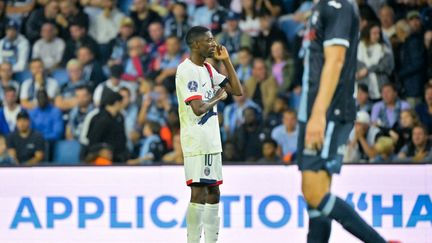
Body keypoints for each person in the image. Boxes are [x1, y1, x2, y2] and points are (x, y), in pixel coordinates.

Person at [297, 1, 390, 243]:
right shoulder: (320, 8)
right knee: (315, 197)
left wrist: (318, 113)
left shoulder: (338, 6)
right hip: (316, 108)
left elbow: (336, 60)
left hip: (329, 109)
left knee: (314, 192)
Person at [175, 26, 242, 243]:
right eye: (209, 40)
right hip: (197, 141)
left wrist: (226, 61)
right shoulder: (187, 70)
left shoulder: (208, 68)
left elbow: (237, 90)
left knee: (214, 193)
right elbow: (197, 108)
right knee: (199, 193)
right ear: (196, 44)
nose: (214, 44)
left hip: (212, 141)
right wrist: (217, 98)